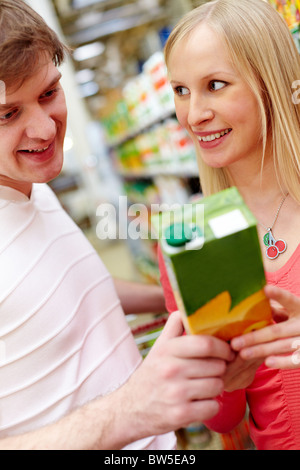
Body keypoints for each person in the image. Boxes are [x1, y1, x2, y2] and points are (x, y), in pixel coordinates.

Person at [0, 0, 235, 450]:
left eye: (49, 92)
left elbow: (77, 287)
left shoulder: (32, 188)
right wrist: (129, 410)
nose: (46, 129)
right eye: (7, 114)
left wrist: (175, 300)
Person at [159, 0, 300, 450]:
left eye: (214, 85)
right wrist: (220, 378)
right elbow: (224, 420)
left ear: (269, 82)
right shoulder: (189, 241)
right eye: (180, 91)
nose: (193, 114)